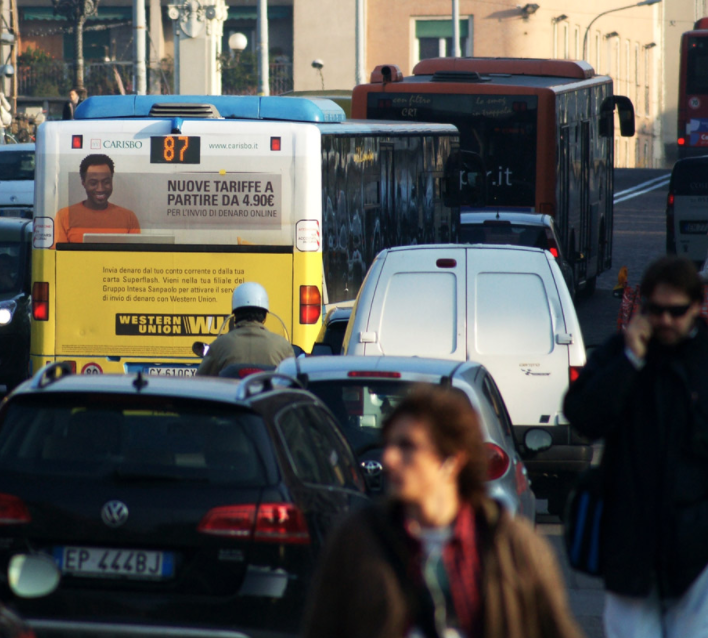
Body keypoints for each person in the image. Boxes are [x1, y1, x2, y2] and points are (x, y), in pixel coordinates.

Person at [303, 385, 584, 638]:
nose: (388, 459)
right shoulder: (358, 539)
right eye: (388, 444)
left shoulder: (511, 546)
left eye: (407, 447)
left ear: (452, 461)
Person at [564, 256, 708, 638]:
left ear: (696, 306)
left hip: (696, 545)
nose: (664, 321)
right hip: (631, 539)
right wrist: (630, 360)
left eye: (675, 311)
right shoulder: (620, 352)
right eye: (655, 310)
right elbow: (582, 416)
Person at [195, 282, 295, 376]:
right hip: (269, 395)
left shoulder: (219, 345)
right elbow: (294, 383)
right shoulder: (282, 346)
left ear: (235, 314)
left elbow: (201, 382)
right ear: (265, 315)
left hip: (232, 394)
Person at [54, 154, 140, 243]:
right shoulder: (64, 216)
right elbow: (58, 255)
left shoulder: (129, 218)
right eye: (93, 183)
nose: (100, 189)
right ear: (83, 183)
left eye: (106, 182)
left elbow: (135, 255)